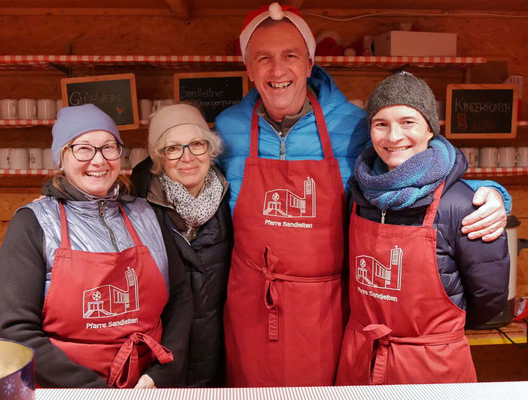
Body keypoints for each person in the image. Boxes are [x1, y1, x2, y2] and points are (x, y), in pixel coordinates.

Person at [214, 2, 511, 387]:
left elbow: (417, 166)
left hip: (328, 310)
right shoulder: (227, 127)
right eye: (263, 58)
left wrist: (494, 195)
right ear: (248, 68)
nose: (277, 70)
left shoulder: (355, 126)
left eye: (290, 55)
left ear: (309, 63)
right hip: (252, 305)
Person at [0, 104, 191, 388]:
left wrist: (161, 374)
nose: (98, 160)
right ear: (61, 157)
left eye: (109, 147)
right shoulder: (33, 224)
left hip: (147, 387)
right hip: (68, 390)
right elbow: (16, 330)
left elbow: (180, 299)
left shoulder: (147, 214)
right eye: (83, 148)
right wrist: (96, 392)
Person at [336, 72, 510, 385]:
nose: (393, 137)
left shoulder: (465, 205)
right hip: (362, 360)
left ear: (430, 128)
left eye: (407, 122)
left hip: (432, 368)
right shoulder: (359, 194)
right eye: (381, 124)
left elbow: (489, 298)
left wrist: (437, 336)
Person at [131, 104, 232, 387]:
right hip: (160, 357)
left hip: (219, 350)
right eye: (173, 148)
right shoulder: (137, 206)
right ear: (159, 157)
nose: (187, 157)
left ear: (210, 149)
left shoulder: (231, 198)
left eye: (197, 145)